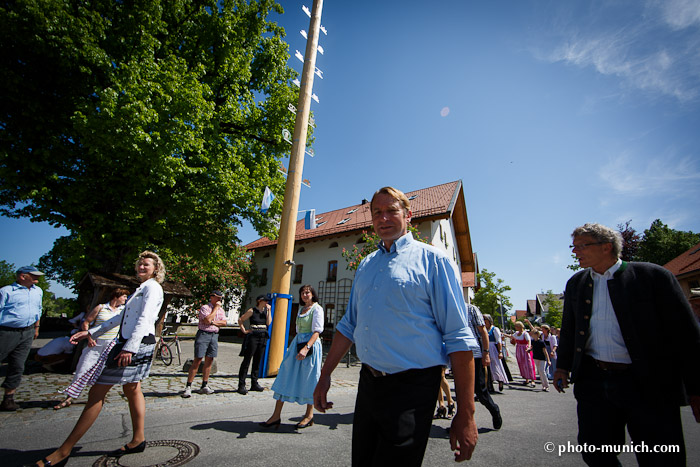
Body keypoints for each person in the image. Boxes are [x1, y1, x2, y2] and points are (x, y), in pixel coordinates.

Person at [313, 186, 479, 465]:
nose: (383, 218)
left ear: (408, 215)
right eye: (377, 212)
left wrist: (467, 412)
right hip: (369, 385)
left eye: (392, 210)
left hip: (413, 389)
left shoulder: (434, 261)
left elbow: (458, 337)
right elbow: (348, 324)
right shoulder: (366, 265)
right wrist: (324, 374)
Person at [554, 223, 700, 466]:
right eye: (574, 246)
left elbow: (686, 335)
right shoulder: (576, 283)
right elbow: (569, 328)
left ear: (606, 247)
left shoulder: (653, 277)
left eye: (582, 246)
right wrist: (563, 366)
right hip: (594, 382)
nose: (575, 252)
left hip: (648, 384)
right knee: (595, 452)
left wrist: (696, 389)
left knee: (661, 456)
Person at [31, 251, 166, 466]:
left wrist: (129, 348)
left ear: (156, 269)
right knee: (132, 389)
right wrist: (93, 332)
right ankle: (138, 439)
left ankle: (64, 452)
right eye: (139, 264)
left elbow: (145, 318)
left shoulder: (153, 287)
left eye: (146, 264)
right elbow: (120, 317)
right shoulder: (140, 288)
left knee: (97, 393)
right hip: (133, 342)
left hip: (135, 344)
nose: (141, 267)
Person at [54, 288, 129, 409]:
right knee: (83, 368)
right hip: (96, 343)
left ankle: (97, 398)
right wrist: (90, 337)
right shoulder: (101, 308)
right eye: (124, 296)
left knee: (104, 373)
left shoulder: (123, 310)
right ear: (116, 296)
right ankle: (69, 398)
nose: (125, 299)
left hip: (112, 344)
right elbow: (86, 322)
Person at [261, 284, 323, 429]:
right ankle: (276, 415)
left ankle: (309, 415)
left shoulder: (317, 309)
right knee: (285, 373)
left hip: (310, 346)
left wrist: (307, 348)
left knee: (309, 378)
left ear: (312, 294)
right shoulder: (301, 309)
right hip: (297, 343)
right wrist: (298, 346)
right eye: (302, 293)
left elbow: (317, 331)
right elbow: (297, 330)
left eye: (307, 292)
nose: (304, 295)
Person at [0, 265, 43, 411]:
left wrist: (36, 327)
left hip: (27, 332)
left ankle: (8, 399)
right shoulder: (6, 291)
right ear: (22, 276)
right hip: (7, 331)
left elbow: (38, 310)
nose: (37, 277)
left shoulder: (38, 291)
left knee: (17, 365)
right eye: (33, 275)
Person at [182, 291, 227, 397]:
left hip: (214, 335)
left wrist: (213, 322)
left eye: (220, 298)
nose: (219, 300)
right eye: (217, 298)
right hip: (203, 334)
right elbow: (207, 320)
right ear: (212, 297)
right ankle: (188, 386)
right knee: (197, 359)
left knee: (210, 360)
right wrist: (215, 310)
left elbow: (224, 323)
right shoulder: (205, 308)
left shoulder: (221, 310)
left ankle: (204, 385)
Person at [467, 304, 502, 429]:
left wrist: (486, 353)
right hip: (458, 354)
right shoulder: (449, 308)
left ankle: (494, 409)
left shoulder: (471, 309)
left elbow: (483, 332)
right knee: (463, 392)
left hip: (475, 354)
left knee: (480, 391)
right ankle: (464, 423)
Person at [237, 294, 272, 394]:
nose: (267, 303)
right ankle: (241, 384)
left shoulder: (266, 311)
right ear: (260, 301)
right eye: (265, 301)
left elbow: (269, 323)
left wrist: (269, 311)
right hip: (253, 336)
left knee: (257, 360)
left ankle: (254, 382)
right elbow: (241, 320)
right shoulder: (252, 310)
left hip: (263, 335)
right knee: (247, 360)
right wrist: (244, 330)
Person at [483, 314, 508, 392]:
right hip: (485, 348)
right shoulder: (483, 329)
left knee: (496, 365)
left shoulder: (494, 329)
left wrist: (500, 352)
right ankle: (489, 384)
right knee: (487, 367)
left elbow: (499, 341)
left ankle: (500, 380)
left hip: (493, 348)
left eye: (485, 320)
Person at [511, 321, 536, 387]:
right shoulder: (516, 333)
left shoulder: (525, 333)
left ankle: (532, 380)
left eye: (516, 326)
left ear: (520, 326)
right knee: (522, 364)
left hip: (525, 349)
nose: (515, 327)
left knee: (528, 364)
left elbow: (529, 341)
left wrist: (529, 347)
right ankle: (526, 379)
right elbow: (512, 337)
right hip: (519, 349)